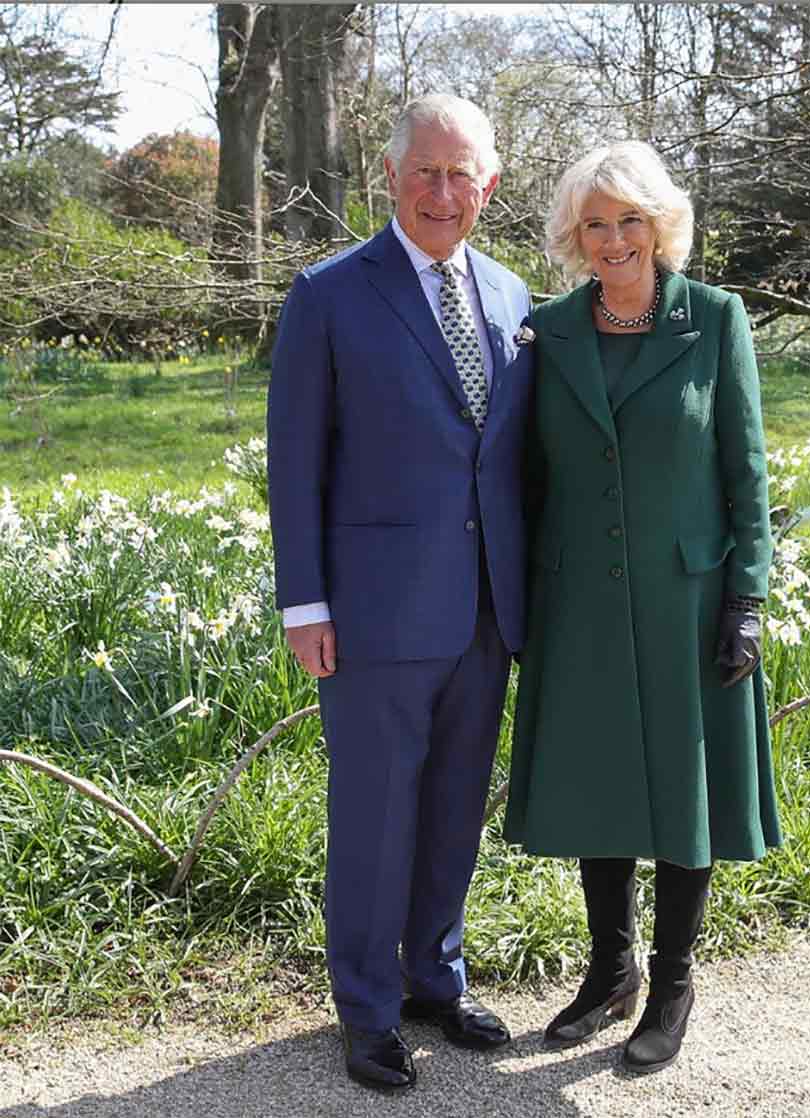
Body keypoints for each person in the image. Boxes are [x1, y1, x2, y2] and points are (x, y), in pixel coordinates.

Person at [267, 94, 533, 1093]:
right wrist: (306, 603)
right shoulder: (329, 293)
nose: (444, 191)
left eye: (463, 173)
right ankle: (369, 1007)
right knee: (377, 813)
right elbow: (295, 459)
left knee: (456, 804)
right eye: (426, 170)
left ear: (490, 186)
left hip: (484, 608)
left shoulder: (512, 298)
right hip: (373, 612)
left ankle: (434, 975)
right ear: (390, 175)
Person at [504, 140, 781, 1075]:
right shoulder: (548, 332)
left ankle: (672, 983)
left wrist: (749, 596)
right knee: (603, 781)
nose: (614, 239)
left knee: (680, 785)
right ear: (573, 237)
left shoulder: (716, 319)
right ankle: (609, 970)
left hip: (688, 597)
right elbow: (527, 477)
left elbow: (746, 471)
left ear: (661, 225)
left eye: (630, 219)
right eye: (595, 224)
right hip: (578, 592)